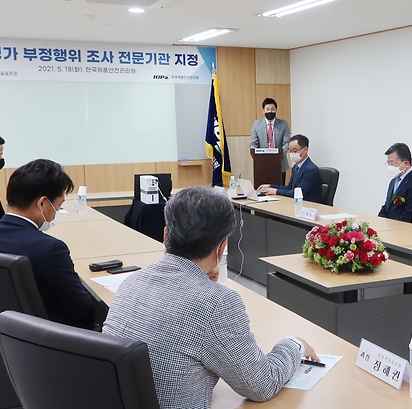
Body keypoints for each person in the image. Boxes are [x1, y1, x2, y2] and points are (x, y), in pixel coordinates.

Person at [103, 186, 319, 407]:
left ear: (166, 236)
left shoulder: (131, 282)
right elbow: (261, 385)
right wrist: (294, 345)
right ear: (222, 247)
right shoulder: (217, 303)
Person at [0, 159, 106, 330]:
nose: (56, 212)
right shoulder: (49, 249)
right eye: (58, 205)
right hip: (48, 341)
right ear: (42, 203)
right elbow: (83, 311)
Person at [258, 134, 322, 203]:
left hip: (309, 206)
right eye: (290, 151)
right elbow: (290, 188)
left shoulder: (311, 169)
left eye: (295, 151)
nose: (292, 154)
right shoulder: (296, 167)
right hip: (297, 203)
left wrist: (276, 191)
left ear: (305, 149)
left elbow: (298, 193)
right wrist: (271, 186)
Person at [378, 143, 412, 223]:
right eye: (388, 163)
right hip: (390, 226)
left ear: (406, 164)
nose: (390, 167)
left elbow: (410, 214)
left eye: (392, 163)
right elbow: (387, 206)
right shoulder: (394, 181)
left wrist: (390, 225)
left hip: (403, 228)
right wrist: (380, 220)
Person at [250, 98, 292, 183]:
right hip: (262, 164)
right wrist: (254, 152)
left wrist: (277, 156)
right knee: (262, 191)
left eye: (272, 109)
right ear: (263, 111)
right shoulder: (256, 124)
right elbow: (253, 143)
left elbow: (287, 142)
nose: (270, 111)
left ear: (276, 110)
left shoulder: (283, 124)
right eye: (267, 109)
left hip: (280, 164)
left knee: (279, 191)